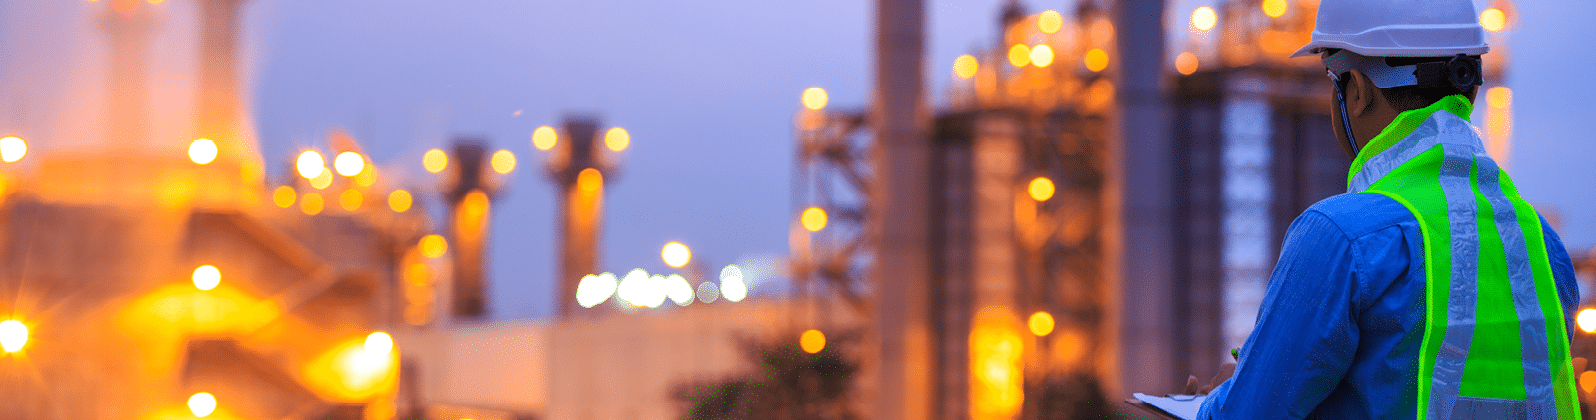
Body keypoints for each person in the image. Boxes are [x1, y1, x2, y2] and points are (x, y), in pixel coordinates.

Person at [1193, 0, 1584, 418]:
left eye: (1333, 82)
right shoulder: (1543, 247)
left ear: (1356, 92)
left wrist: (1219, 399)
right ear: (1471, 88)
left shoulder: (1341, 238)